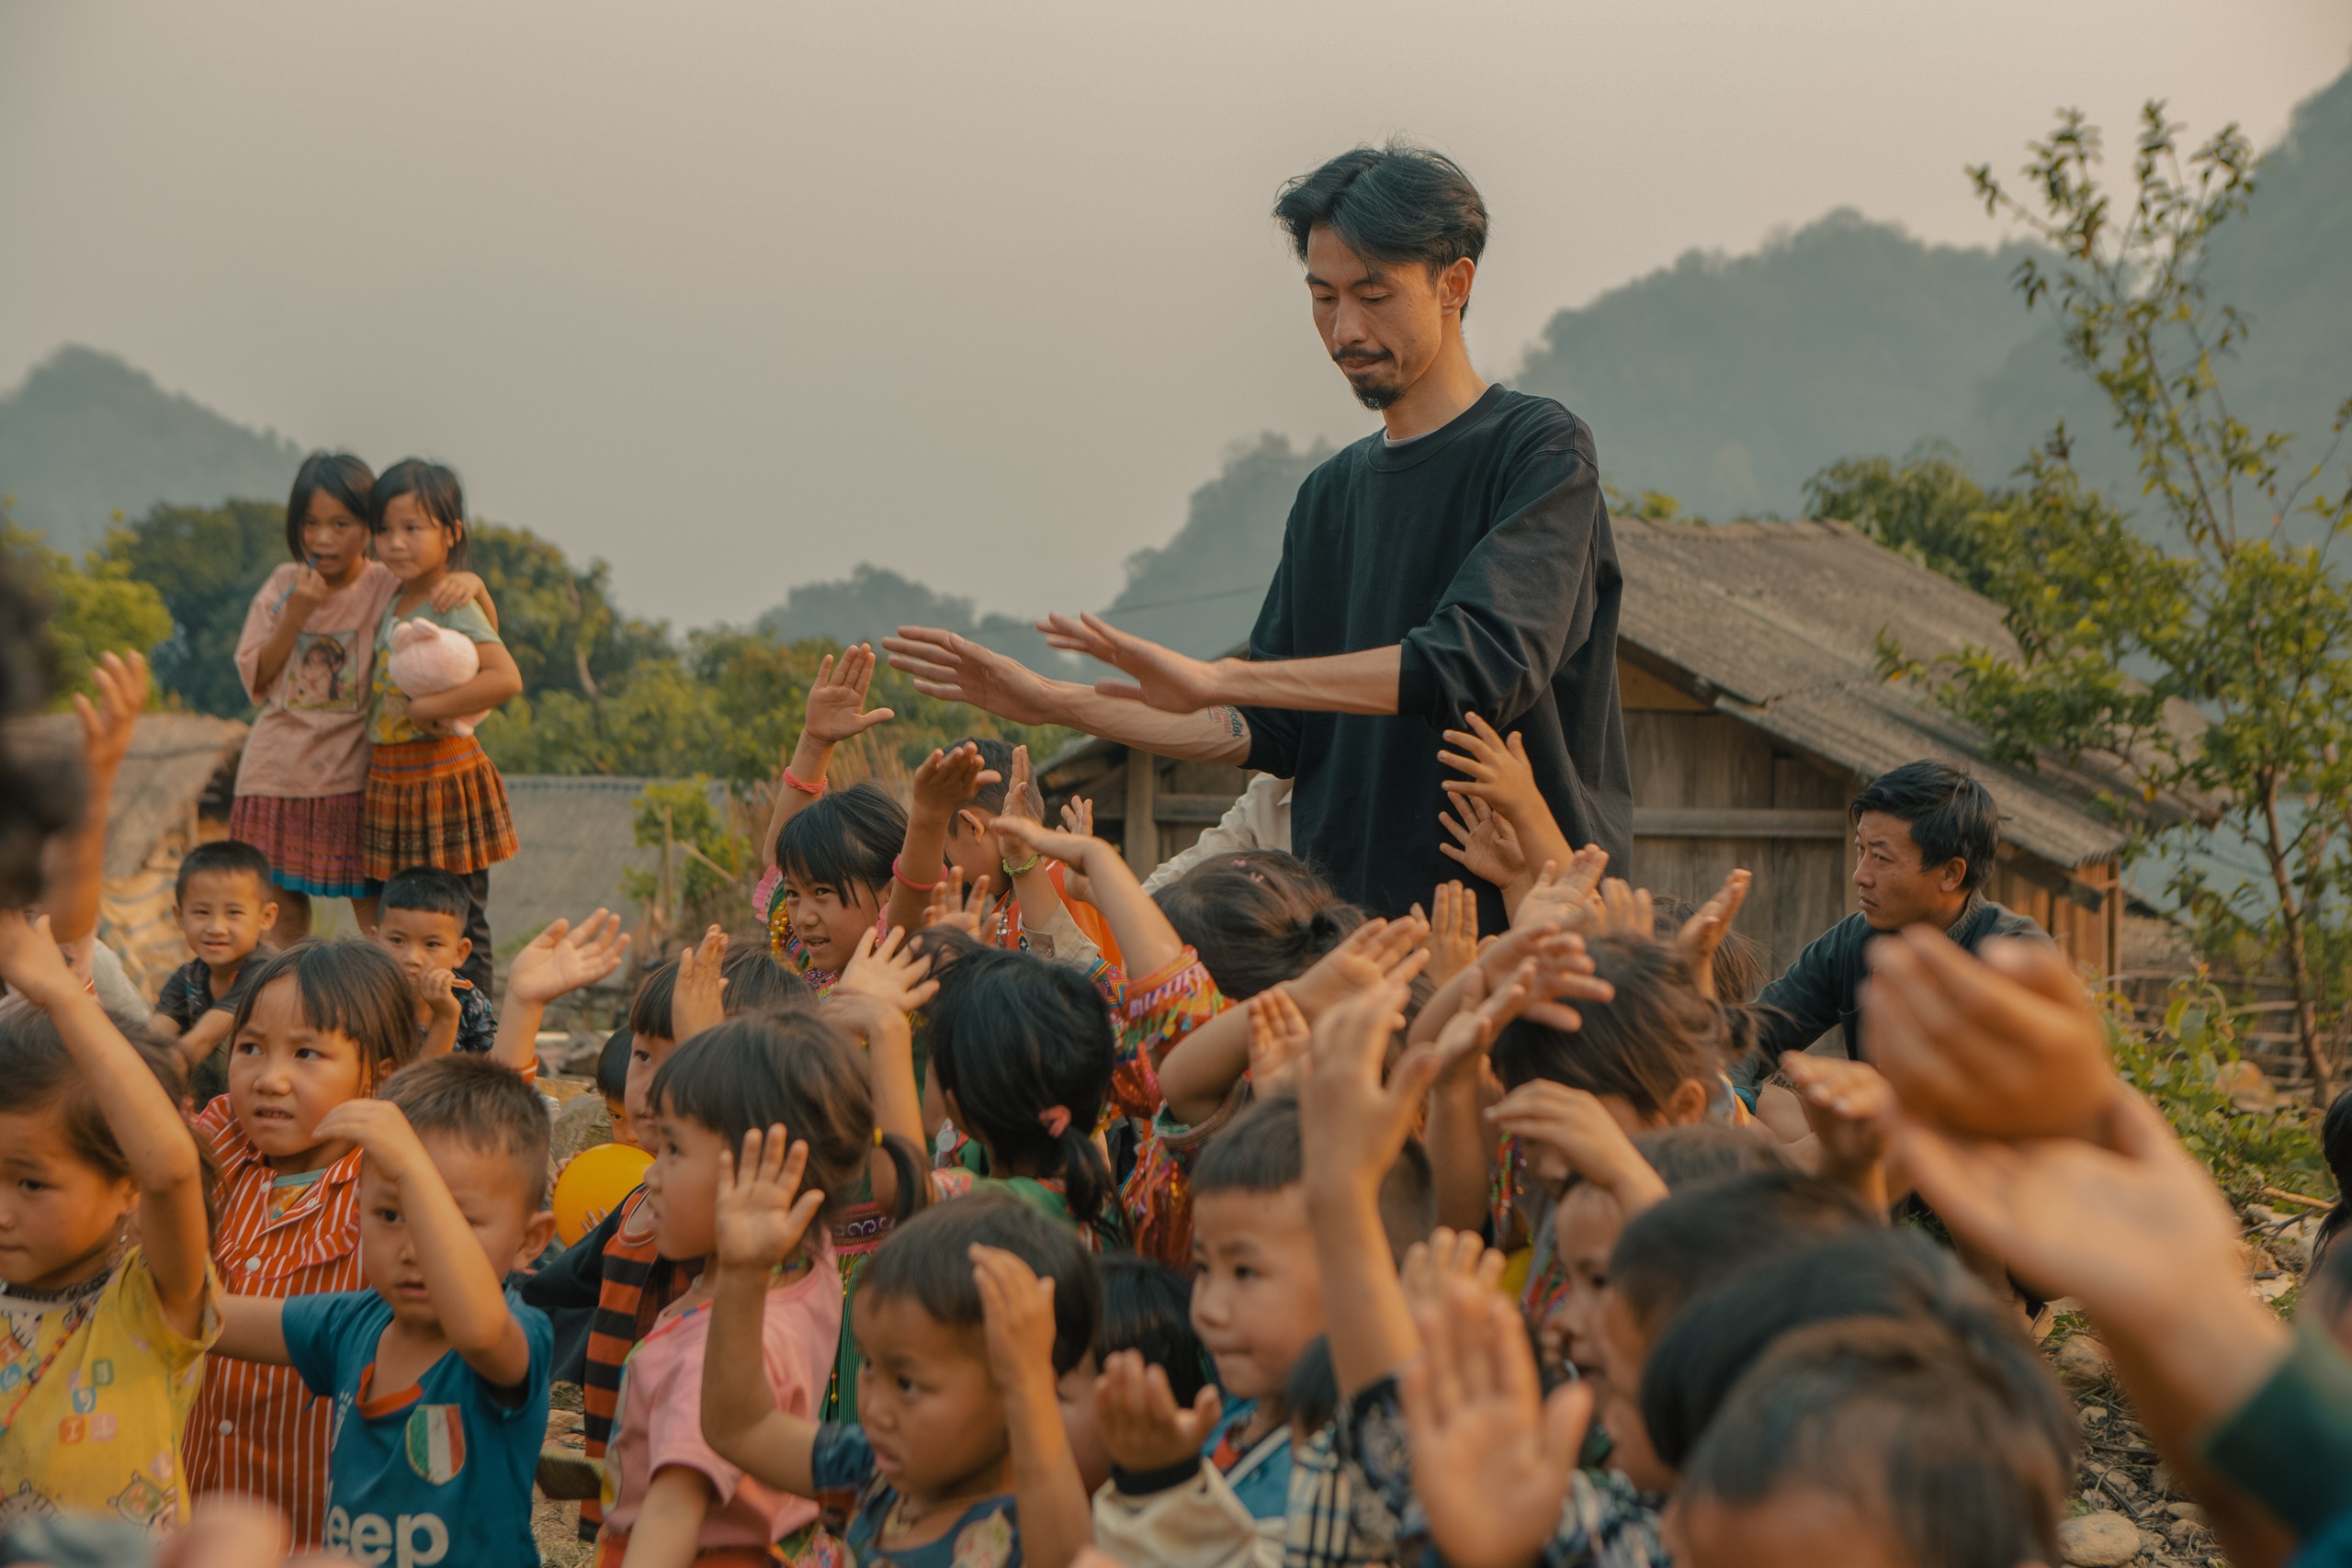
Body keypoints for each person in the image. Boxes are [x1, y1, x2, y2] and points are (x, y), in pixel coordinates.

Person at [888, 141, 1631, 929]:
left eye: (1373, 294)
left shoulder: (1540, 449)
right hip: (1344, 943)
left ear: (1455, 284)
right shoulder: (1328, 498)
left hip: (1523, 937)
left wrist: (1225, 679)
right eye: (1323, 296)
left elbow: (1477, 663)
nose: (1345, 328)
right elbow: (1267, 728)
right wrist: (1052, 700)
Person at [213, 1056, 556, 1568]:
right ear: (358, 1215)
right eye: (391, 1214)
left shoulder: (517, 1335)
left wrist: (413, 1171)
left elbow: (478, 1332)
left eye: (449, 1219)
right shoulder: (351, 1325)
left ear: (530, 1241)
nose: (415, 1248)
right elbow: (203, 1317)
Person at [594, 1019, 887, 1566]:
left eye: (673, 1152)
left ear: (767, 1173)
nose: (650, 1176)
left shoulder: (706, 1356)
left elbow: (674, 1510)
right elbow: (808, 1116)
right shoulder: (809, 1263)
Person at [699, 1190, 1102, 1568]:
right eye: (870, 1366)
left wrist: (1030, 1386)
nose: (873, 1408)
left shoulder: (1026, 1532)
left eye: (907, 1384)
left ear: (1013, 1387)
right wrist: (740, 1276)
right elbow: (739, 1427)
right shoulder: (868, 1474)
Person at [185, 939, 422, 1547]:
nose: (270, 1078)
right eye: (250, 1047)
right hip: (189, 1512)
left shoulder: (390, 1193)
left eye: (307, 1052)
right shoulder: (220, 1147)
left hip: (314, 1530)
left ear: (381, 1076)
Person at [0, 912, 215, 1533]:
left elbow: (173, 1170)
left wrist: (66, 995)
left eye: (31, 1181)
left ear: (127, 1183)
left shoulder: (149, 1304)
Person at [229, 453, 493, 936]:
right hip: (274, 774)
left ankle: (379, 1007)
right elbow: (258, 678)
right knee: (279, 913)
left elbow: (444, 601)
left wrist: (472, 581)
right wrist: (295, 615)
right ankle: (289, 1008)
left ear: (368, 528)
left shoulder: (384, 584)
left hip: (352, 781)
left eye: (341, 523)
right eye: (310, 523)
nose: (322, 538)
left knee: (376, 917)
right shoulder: (283, 585)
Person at [1736, 761, 2048, 1096]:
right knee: (1753, 1103)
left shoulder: (2016, 956)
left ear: (1950, 874)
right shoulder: (1852, 942)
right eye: (1861, 850)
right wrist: (1732, 1101)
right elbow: (1754, 1031)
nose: (1860, 874)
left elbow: (2019, 1099)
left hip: (1971, 1141)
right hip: (1876, 1129)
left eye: (1881, 859)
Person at [360, 459, 525, 992]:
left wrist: (430, 710)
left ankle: (475, 1044)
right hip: (397, 783)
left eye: (413, 528)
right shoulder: (395, 595)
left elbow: (504, 677)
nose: (395, 543)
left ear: (451, 534)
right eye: (384, 529)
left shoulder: (448, 599)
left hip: (443, 781)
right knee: (406, 921)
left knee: (459, 919)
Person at [153, 837, 280, 1105]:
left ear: (266, 917)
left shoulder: (266, 971)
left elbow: (202, 1039)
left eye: (233, 913)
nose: (216, 927)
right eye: (201, 912)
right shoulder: (188, 977)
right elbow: (154, 1037)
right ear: (179, 916)